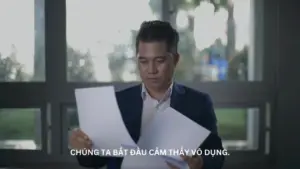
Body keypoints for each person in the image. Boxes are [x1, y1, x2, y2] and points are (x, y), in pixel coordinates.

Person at [69, 20, 225, 169]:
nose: (151, 70)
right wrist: (83, 149)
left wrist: (200, 163)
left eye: (159, 61)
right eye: (143, 61)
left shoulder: (198, 103)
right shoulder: (118, 103)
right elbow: (94, 161)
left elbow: (216, 155)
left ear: (175, 60)